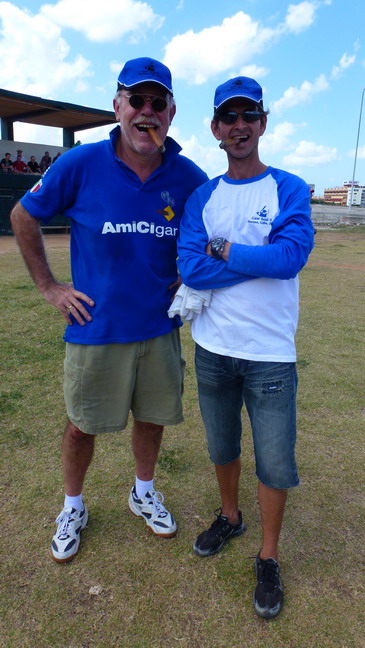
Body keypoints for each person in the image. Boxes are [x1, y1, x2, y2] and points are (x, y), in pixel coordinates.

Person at [11, 57, 208, 564]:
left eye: (157, 102)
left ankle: (143, 491)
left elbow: (209, 236)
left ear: (171, 111)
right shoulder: (81, 163)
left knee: (154, 417)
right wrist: (50, 286)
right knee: (82, 426)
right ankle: (73, 506)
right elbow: (23, 215)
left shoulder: (188, 176)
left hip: (159, 329)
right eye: (136, 101)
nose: (147, 111)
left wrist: (191, 273)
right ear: (117, 106)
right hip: (95, 330)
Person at [177, 76, 314, 619]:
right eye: (228, 118)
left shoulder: (290, 187)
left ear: (263, 122)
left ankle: (269, 554)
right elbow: (189, 265)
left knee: (276, 462)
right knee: (222, 446)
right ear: (214, 128)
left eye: (248, 116)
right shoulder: (201, 196)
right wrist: (256, 257)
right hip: (213, 347)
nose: (239, 126)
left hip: (270, 354)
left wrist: (225, 251)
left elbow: (289, 259)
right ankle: (230, 517)